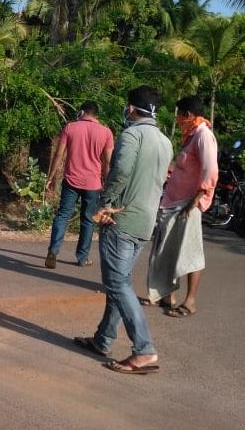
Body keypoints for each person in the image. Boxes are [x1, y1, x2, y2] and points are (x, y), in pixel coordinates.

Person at [73, 86, 173, 375]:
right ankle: (103, 339)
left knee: (117, 284)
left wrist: (106, 203)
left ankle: (144, 350)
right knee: (122, 282)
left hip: (122, 219)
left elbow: (122, 171)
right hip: (144, 222)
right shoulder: (165, 142)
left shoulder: (131, 135)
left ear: (131, 108)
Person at [144, 96, 218, 318]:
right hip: (175, 201)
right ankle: (167, 295)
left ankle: (190, 301)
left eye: (179, 114)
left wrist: (196, 199)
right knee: (169, 248)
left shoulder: (204, 135)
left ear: (187, 115)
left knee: (191, 253)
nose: (178, 119)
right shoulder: (191, 135)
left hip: (188, 203)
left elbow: (211, 170)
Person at [44, 101, 114, 269]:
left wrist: (50, 177)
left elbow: (59, 154)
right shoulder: (106, 132)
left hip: (71, 180)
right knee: (88, 220)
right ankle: (82, 258)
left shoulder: (70, 128)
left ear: (82, 112)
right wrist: (107, 183)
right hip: (93, 183)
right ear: (96, 114)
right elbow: (107, 162)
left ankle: (53, 250)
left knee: (62, 215)